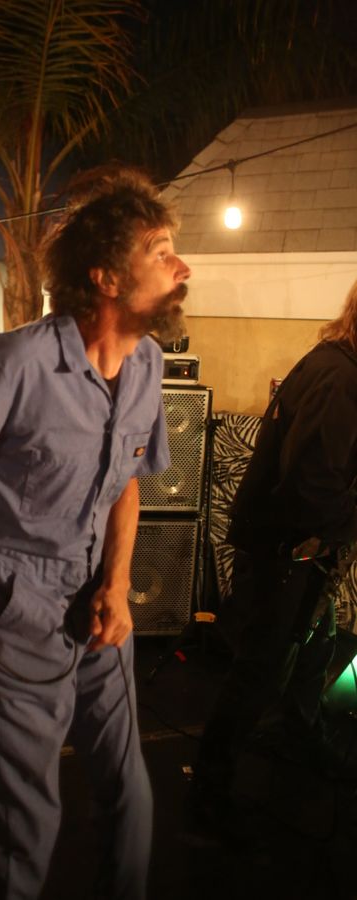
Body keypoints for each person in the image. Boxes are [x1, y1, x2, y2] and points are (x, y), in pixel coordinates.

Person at [0, 167, 190, 899]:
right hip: (12, 615)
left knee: (129, 791)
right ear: (105, 278)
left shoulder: (149, 363)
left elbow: (126, 481)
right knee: (23, 822)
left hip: (100, 605)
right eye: (160, 251)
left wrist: (118, 585)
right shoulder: (12, 365)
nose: (182, 266)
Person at [189, 279, 357, 841]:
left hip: (295, 547)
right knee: (257, 670)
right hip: (287, 549)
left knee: (308, 646)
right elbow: (312, 484)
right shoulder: (340, 378)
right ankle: (208, 794)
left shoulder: (335, 364)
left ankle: (295, 733)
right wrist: (345, 524)